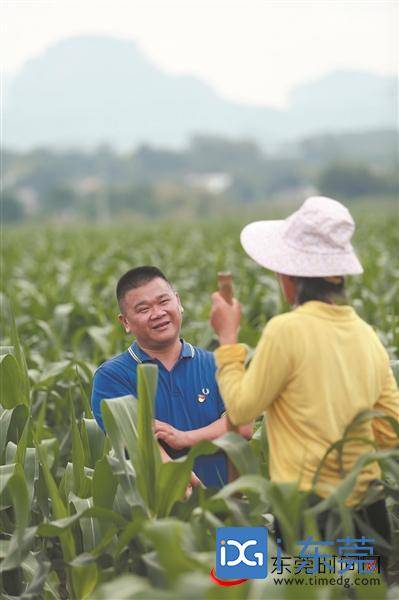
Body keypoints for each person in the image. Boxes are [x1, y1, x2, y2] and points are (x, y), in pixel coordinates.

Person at [210, 196, 399, 572]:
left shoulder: (287, 329)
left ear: (289, 277)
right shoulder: (366, 335)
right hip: (369, 512)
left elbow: (243, 409)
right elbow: (391, 430)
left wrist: (228, 340)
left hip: (309, 512)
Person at [91, 265, 252, 489]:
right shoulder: (111, 378)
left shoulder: (215, 363)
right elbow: (144, 445)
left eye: (163, 301)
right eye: (143, 309)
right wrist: (192, 494)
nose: (158, 313)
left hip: (229, 508)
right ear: (125, 322)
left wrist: (185, 437)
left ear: (178, 301)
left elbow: (243, 426)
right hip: (161, 516)